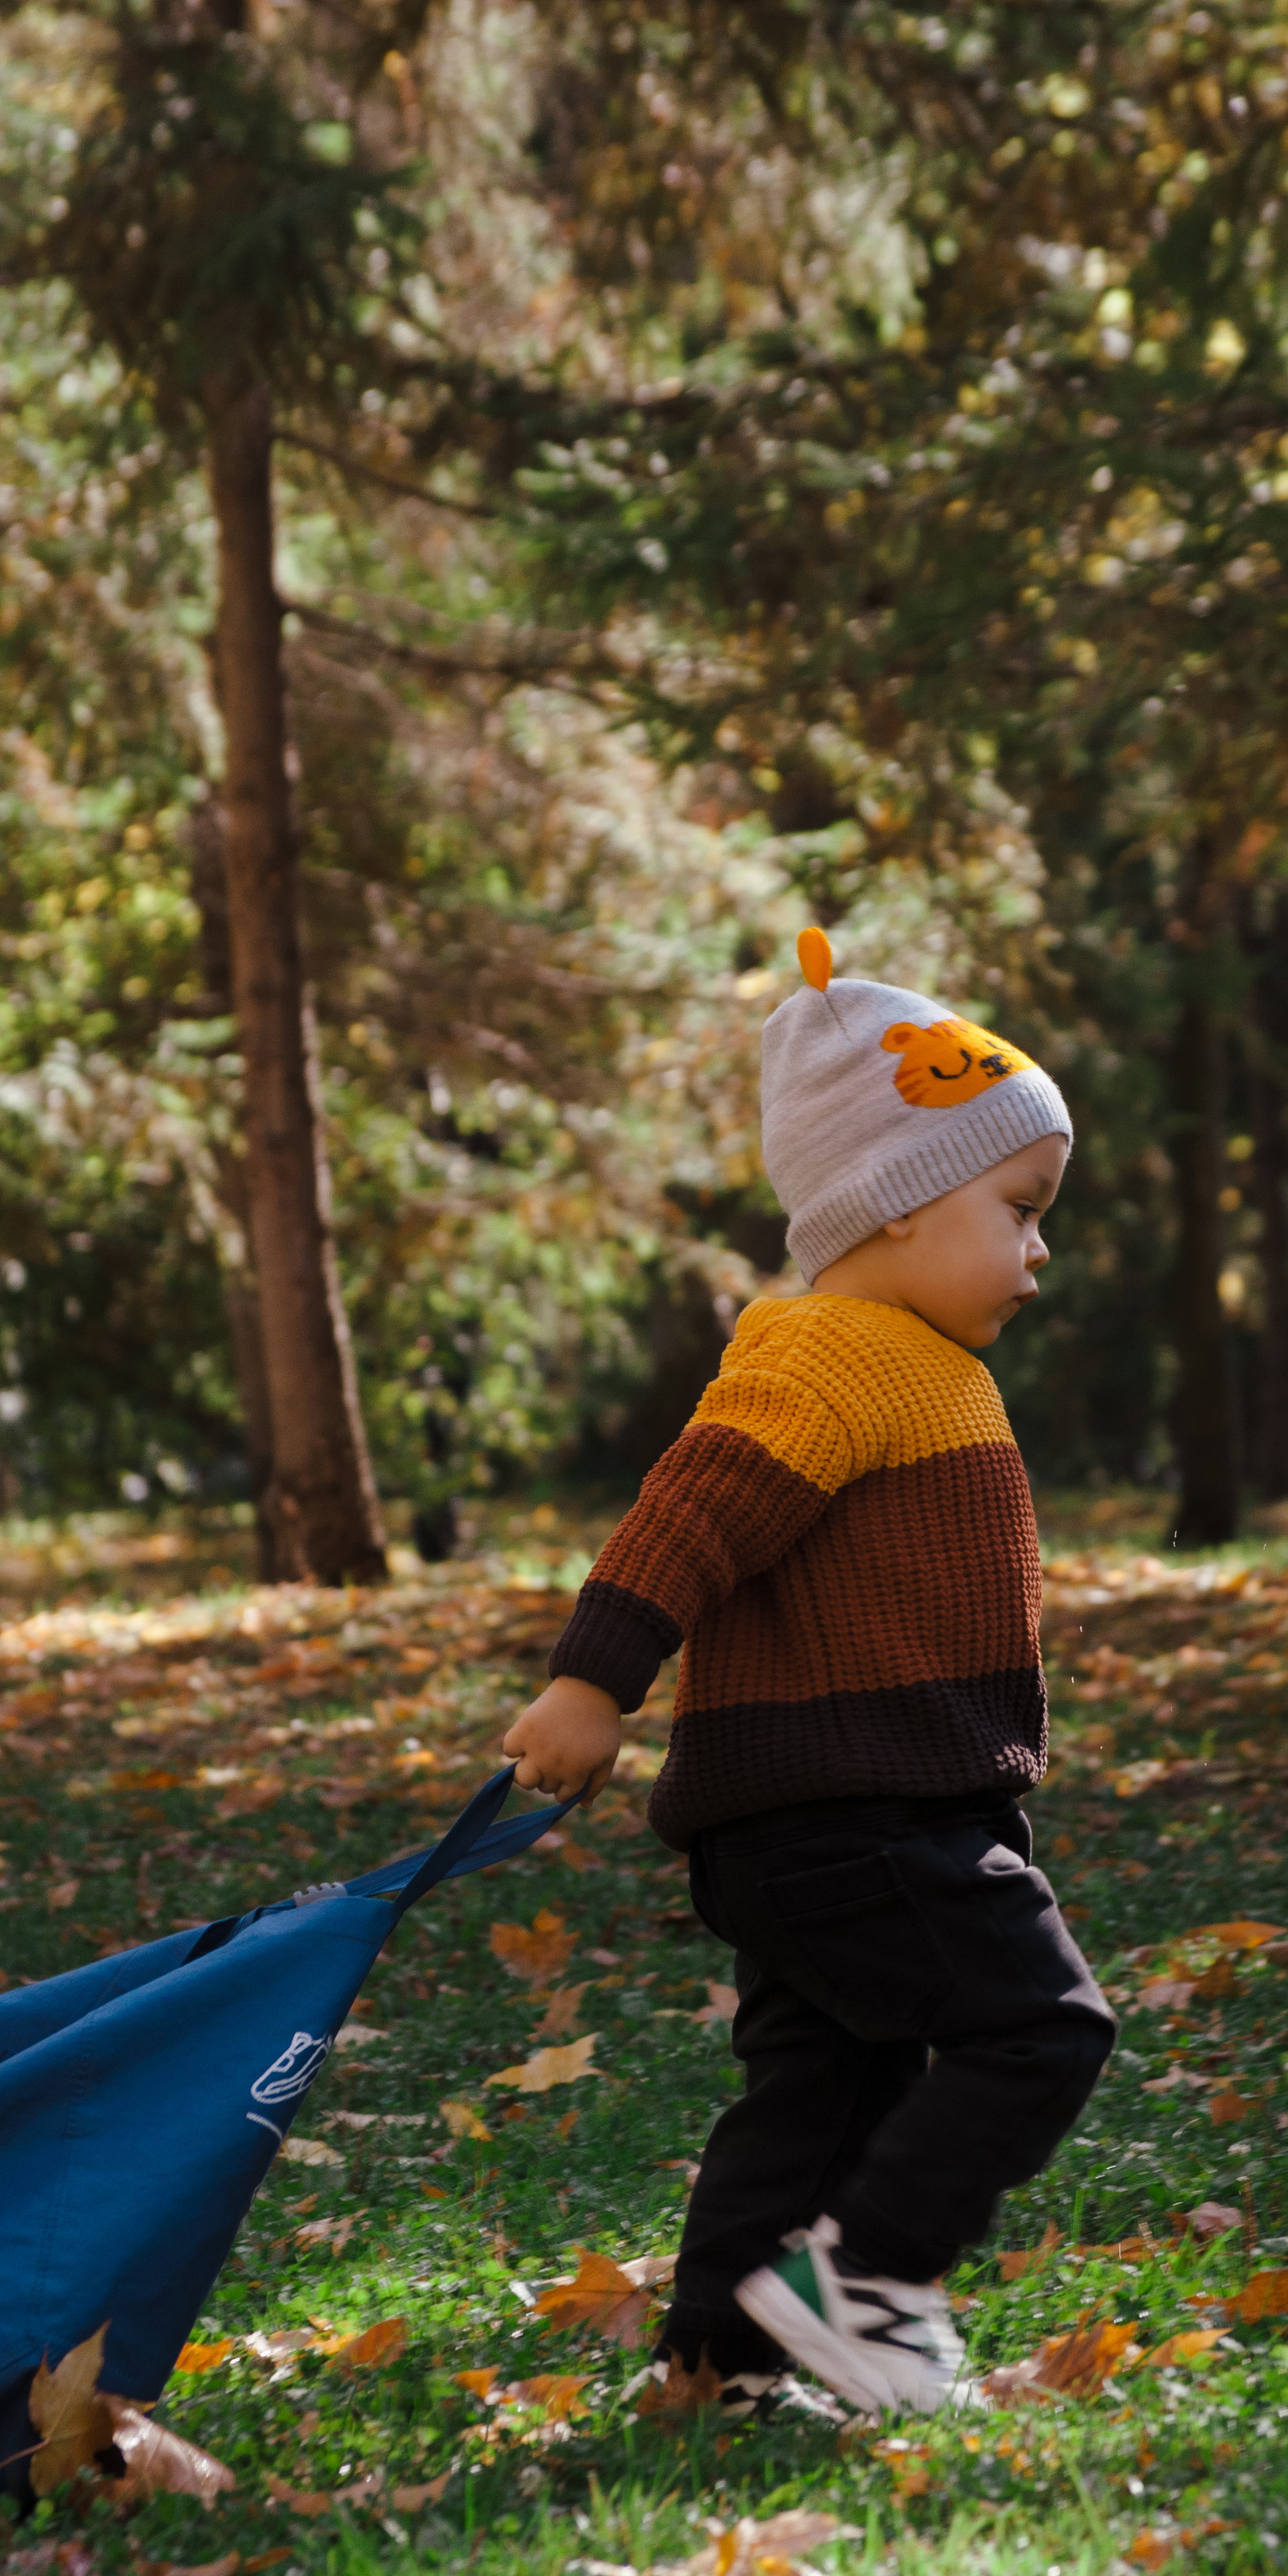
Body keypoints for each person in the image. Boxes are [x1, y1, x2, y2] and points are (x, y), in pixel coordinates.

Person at [500, 929, 1115, 2417]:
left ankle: (716, 2362)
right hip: (859, 1816)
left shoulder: (907, 1359)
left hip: (815, 1818)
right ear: (898, 1204)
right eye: (1017, 1209)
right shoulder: (834, 1352)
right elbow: (691, 1510)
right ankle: (870, 2287)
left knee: (821, 2090)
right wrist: (594, 1683)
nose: (1038, 1247)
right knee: (1036, 2026)